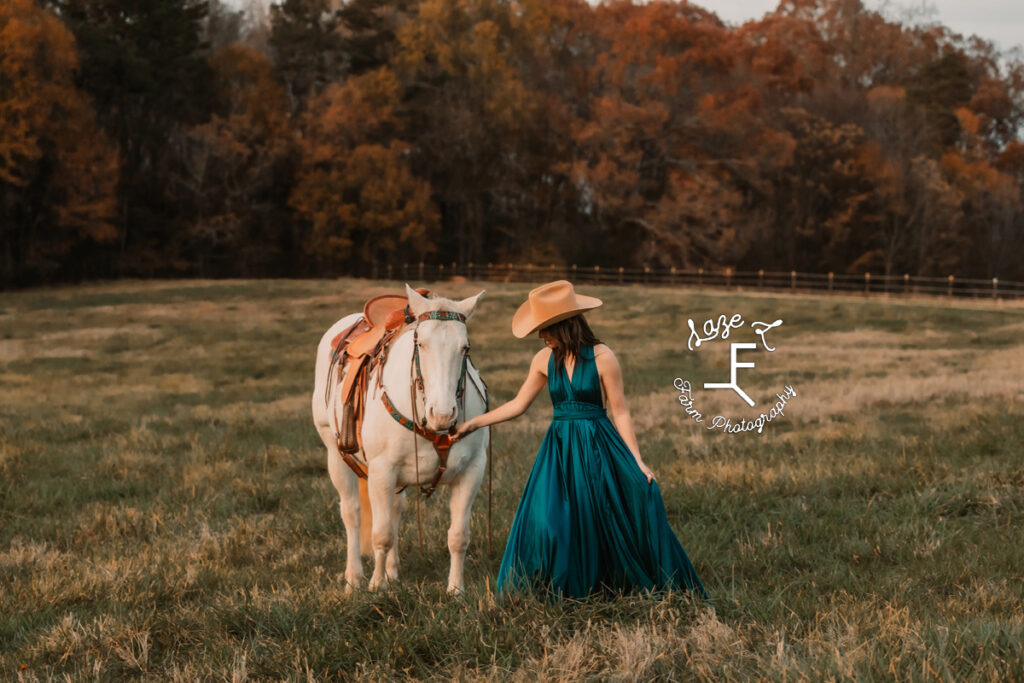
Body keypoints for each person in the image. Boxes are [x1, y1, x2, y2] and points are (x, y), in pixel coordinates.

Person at [452, 280, 709, 602]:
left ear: (565, 325)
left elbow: (621, 412)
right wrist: (474, 423)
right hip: (559, 449)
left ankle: (608, 586)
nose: (540, 336)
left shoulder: (603, 357)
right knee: (549, 520)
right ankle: (553, 587)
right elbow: (518, 405)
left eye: (545, 328)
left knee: (610, 511)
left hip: (598, 445)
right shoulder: (543, 360)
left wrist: (637, 460)